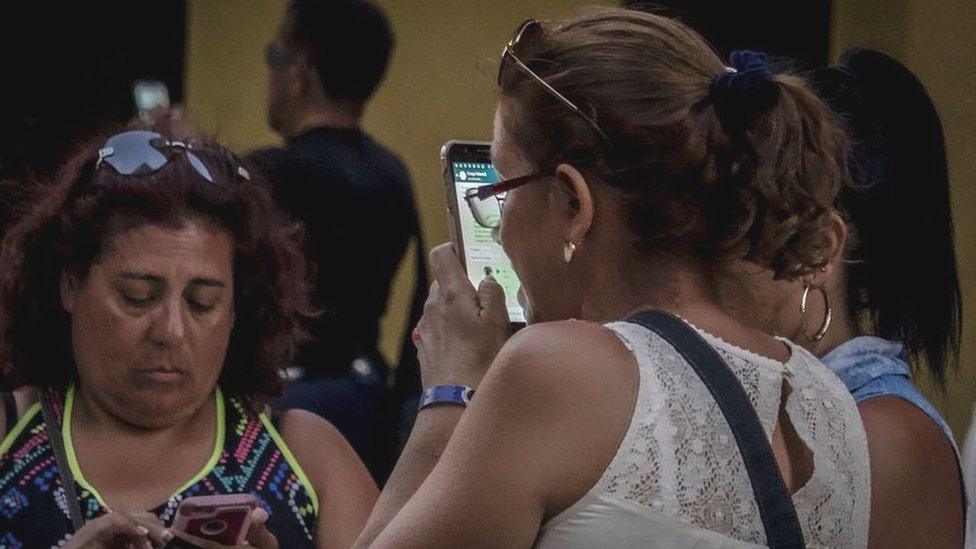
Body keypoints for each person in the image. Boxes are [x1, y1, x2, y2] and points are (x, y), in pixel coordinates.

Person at [355, 8, 869, 547]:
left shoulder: (553, 370)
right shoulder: (829, 402)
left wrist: (449, 389)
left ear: (575, 205)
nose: (500, 225)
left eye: (502, 188)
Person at [0, 130, 377, 547]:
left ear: (237, 310)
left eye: (202, 303)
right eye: (137, 297)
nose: (171, 332)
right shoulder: (8, 434)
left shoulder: (309, 458)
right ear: (69, 284)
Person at [717, 49, 965, 548]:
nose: (700, 259)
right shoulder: (769, 395)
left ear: (815, 253)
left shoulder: (885, 440)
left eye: (730, 227)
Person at [250, 0, 425, 482]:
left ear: (298, 72)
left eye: (274, 56)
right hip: (369, 394)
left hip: (284, 406)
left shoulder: (267, 175)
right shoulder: (392, 172)